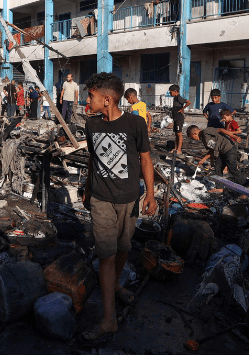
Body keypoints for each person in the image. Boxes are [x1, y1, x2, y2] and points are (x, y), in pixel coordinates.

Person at [80, 72, 156, 344]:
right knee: (106, 255)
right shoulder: (91, 125)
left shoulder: (136, 124)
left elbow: (146, 159)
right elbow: (92, 160)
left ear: (107, 99)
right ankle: (109, 318)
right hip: (101, 199)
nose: (87, 100)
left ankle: (114, 286)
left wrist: (150, 193)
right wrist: (88, 190)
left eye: (91, 96)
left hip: (129, 199)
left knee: (123, 248)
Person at [169, 84, 192, 155]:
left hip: (179, 118)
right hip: (175, 118)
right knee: (176, 134)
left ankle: (179, 149)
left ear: (175, 91)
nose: (170, 93)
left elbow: (189, 102)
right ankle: (176, 148)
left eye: (171, 92)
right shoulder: (175, 98)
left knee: (179, 134)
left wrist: (182, 109)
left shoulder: (179, 98)